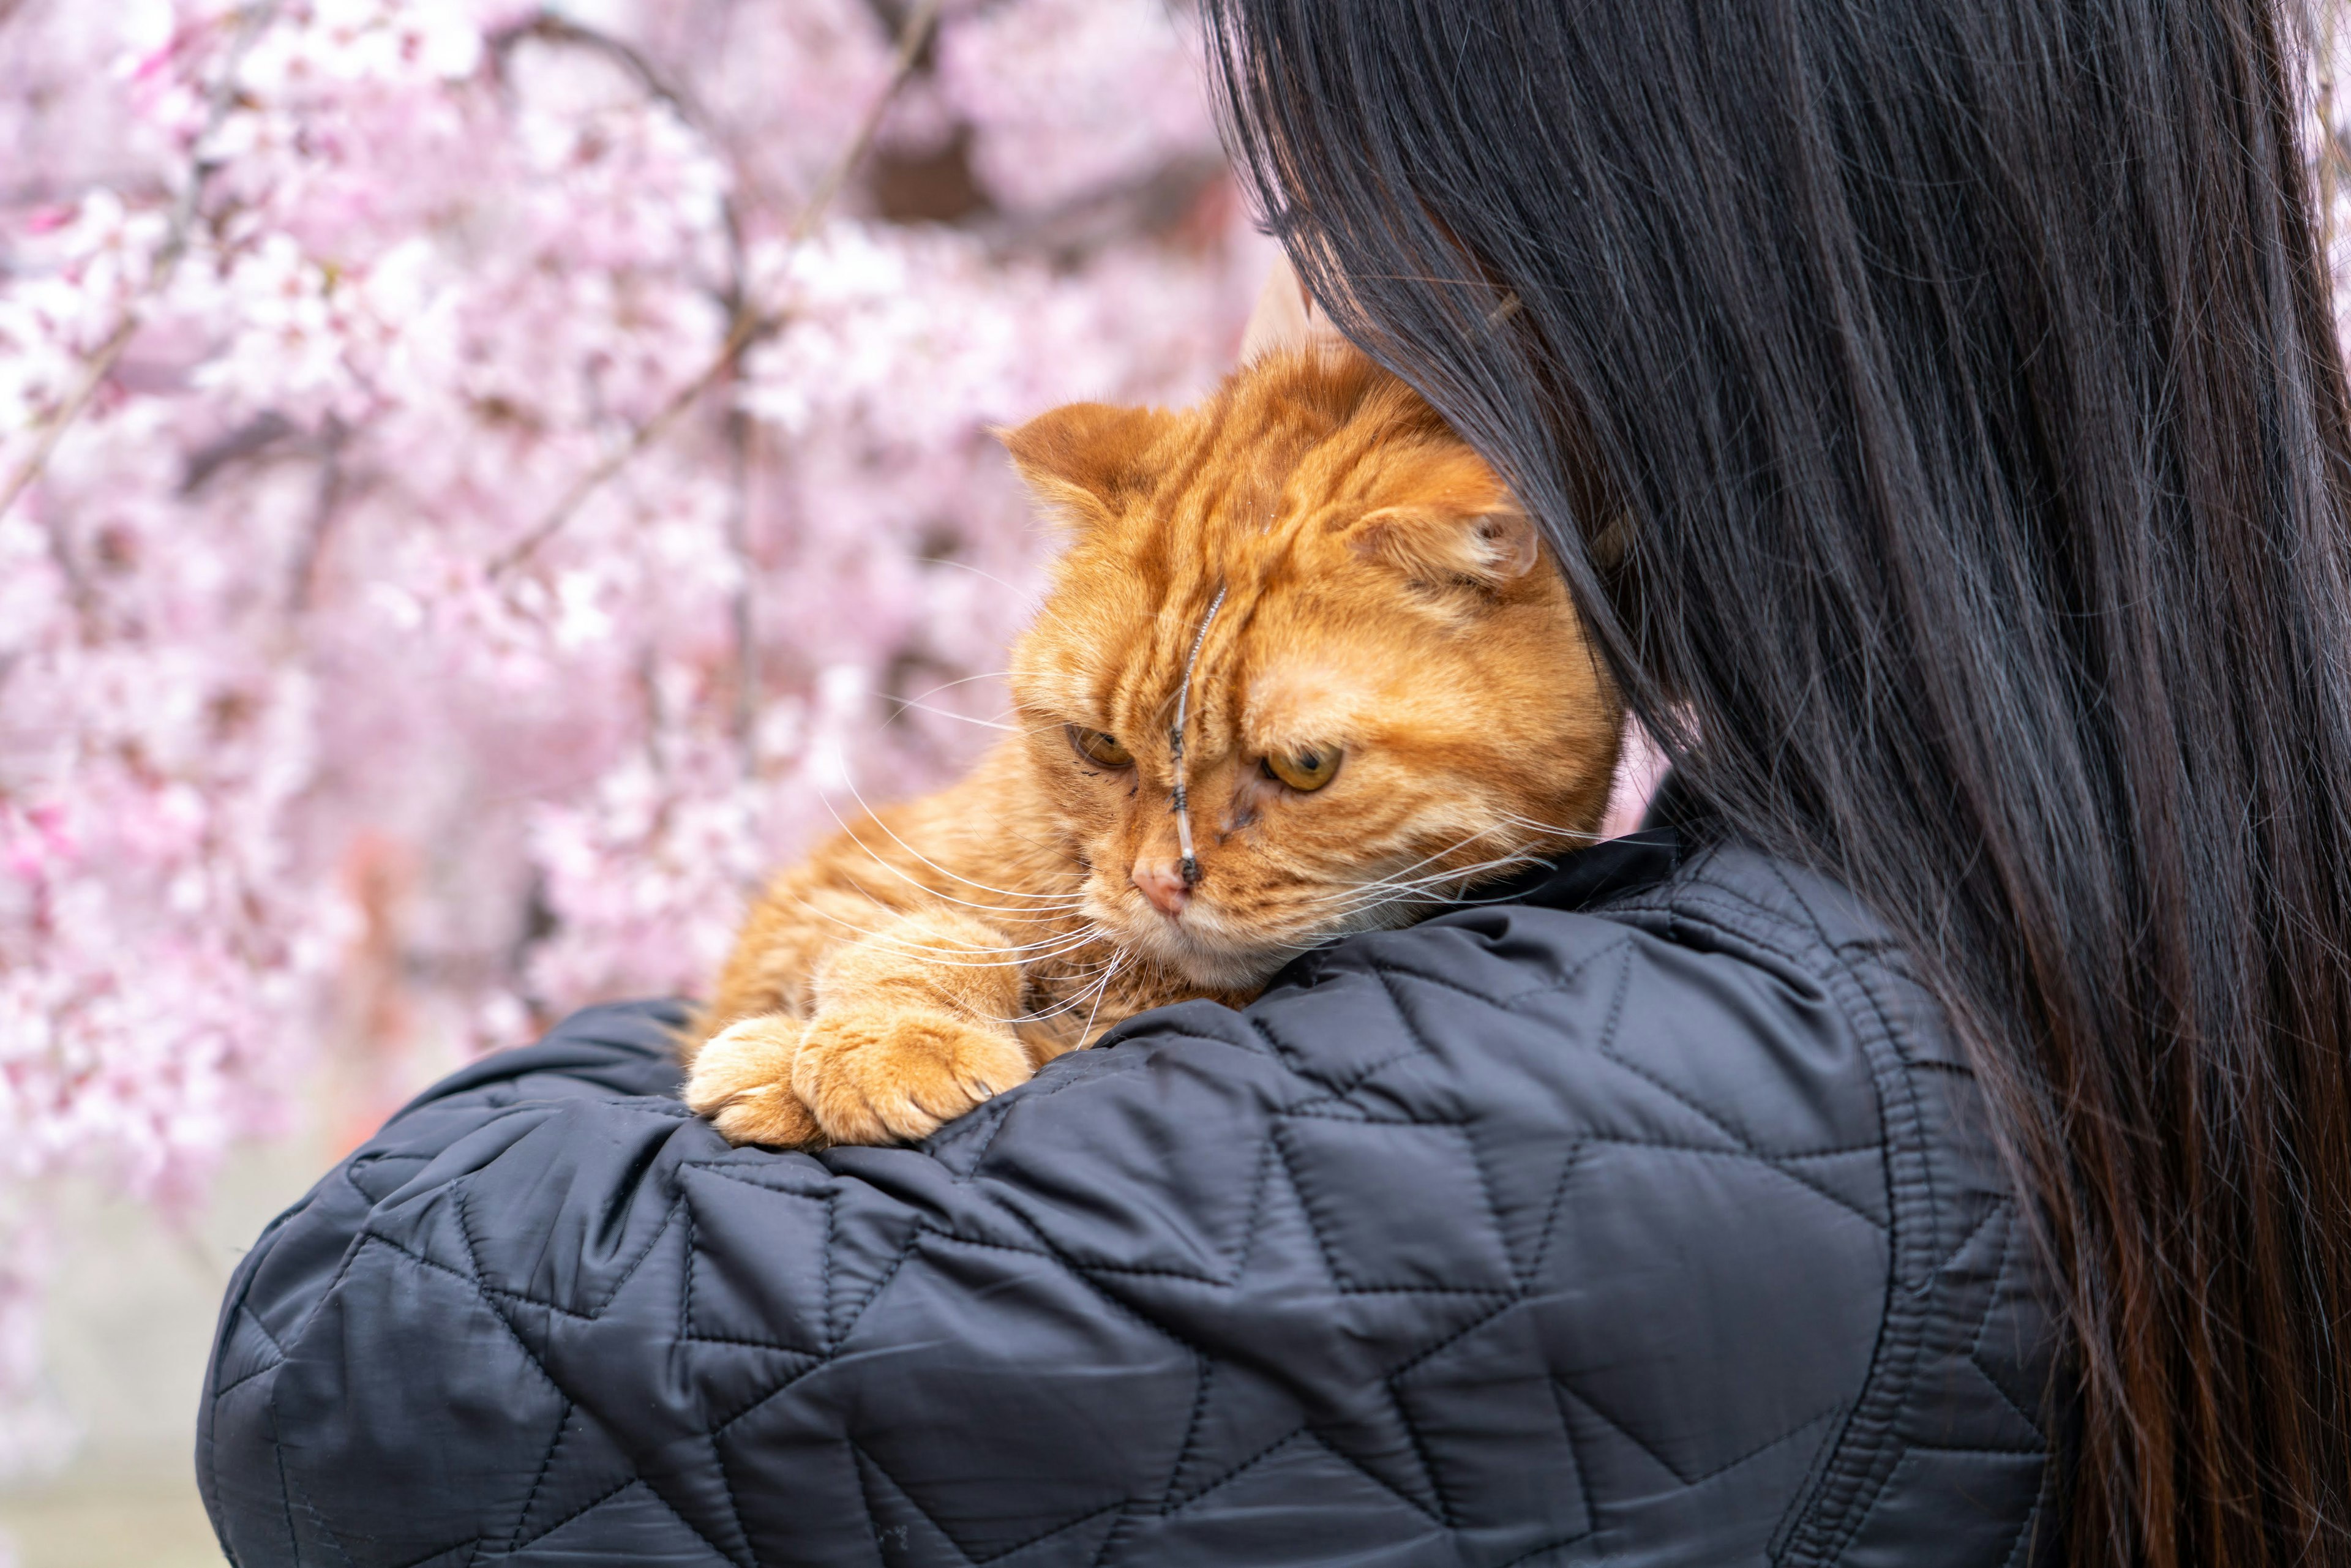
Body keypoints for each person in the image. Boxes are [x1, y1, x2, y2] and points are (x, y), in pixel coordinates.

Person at [197, 1, 2351, 1564]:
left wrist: (814, 990)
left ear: (1663, 279)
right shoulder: (2172, 926)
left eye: (1349, 218)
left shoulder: (1673, 1106)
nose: (1325, 313)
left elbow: (365, 1364)